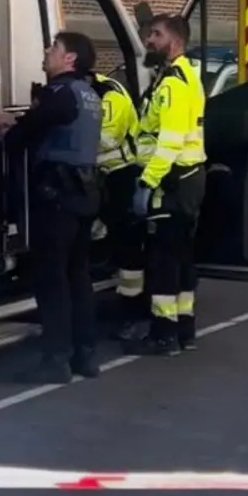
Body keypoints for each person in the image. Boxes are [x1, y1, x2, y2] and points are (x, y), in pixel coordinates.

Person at [0, 32, 105, 383]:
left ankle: (56, 360)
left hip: (57, 197)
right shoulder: (90, 94)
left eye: (54, 48)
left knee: (52, 281)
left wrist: (6, 128)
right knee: (78, 277)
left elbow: (25, 135)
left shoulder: (59, 92)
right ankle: (85, 356)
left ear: (69, 59)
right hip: (85, 195)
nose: (46, 51)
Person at [125, 13, 207, 357]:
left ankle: (163, 334)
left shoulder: (172, 84)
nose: (149, 41)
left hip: (170, 182)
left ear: (175, 41)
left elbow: (169, 142)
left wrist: (147, 182)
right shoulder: (186, 75)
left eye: (155, 35)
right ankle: (184, 329)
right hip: (187, 180)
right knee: (182, 258)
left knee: (163, 262)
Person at [90, 71, 144, 332]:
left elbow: (106, 139)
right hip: (103, 178)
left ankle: (132, 314)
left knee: (127, 249)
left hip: (121, 176)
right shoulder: (95, 93)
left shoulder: (110, 95)